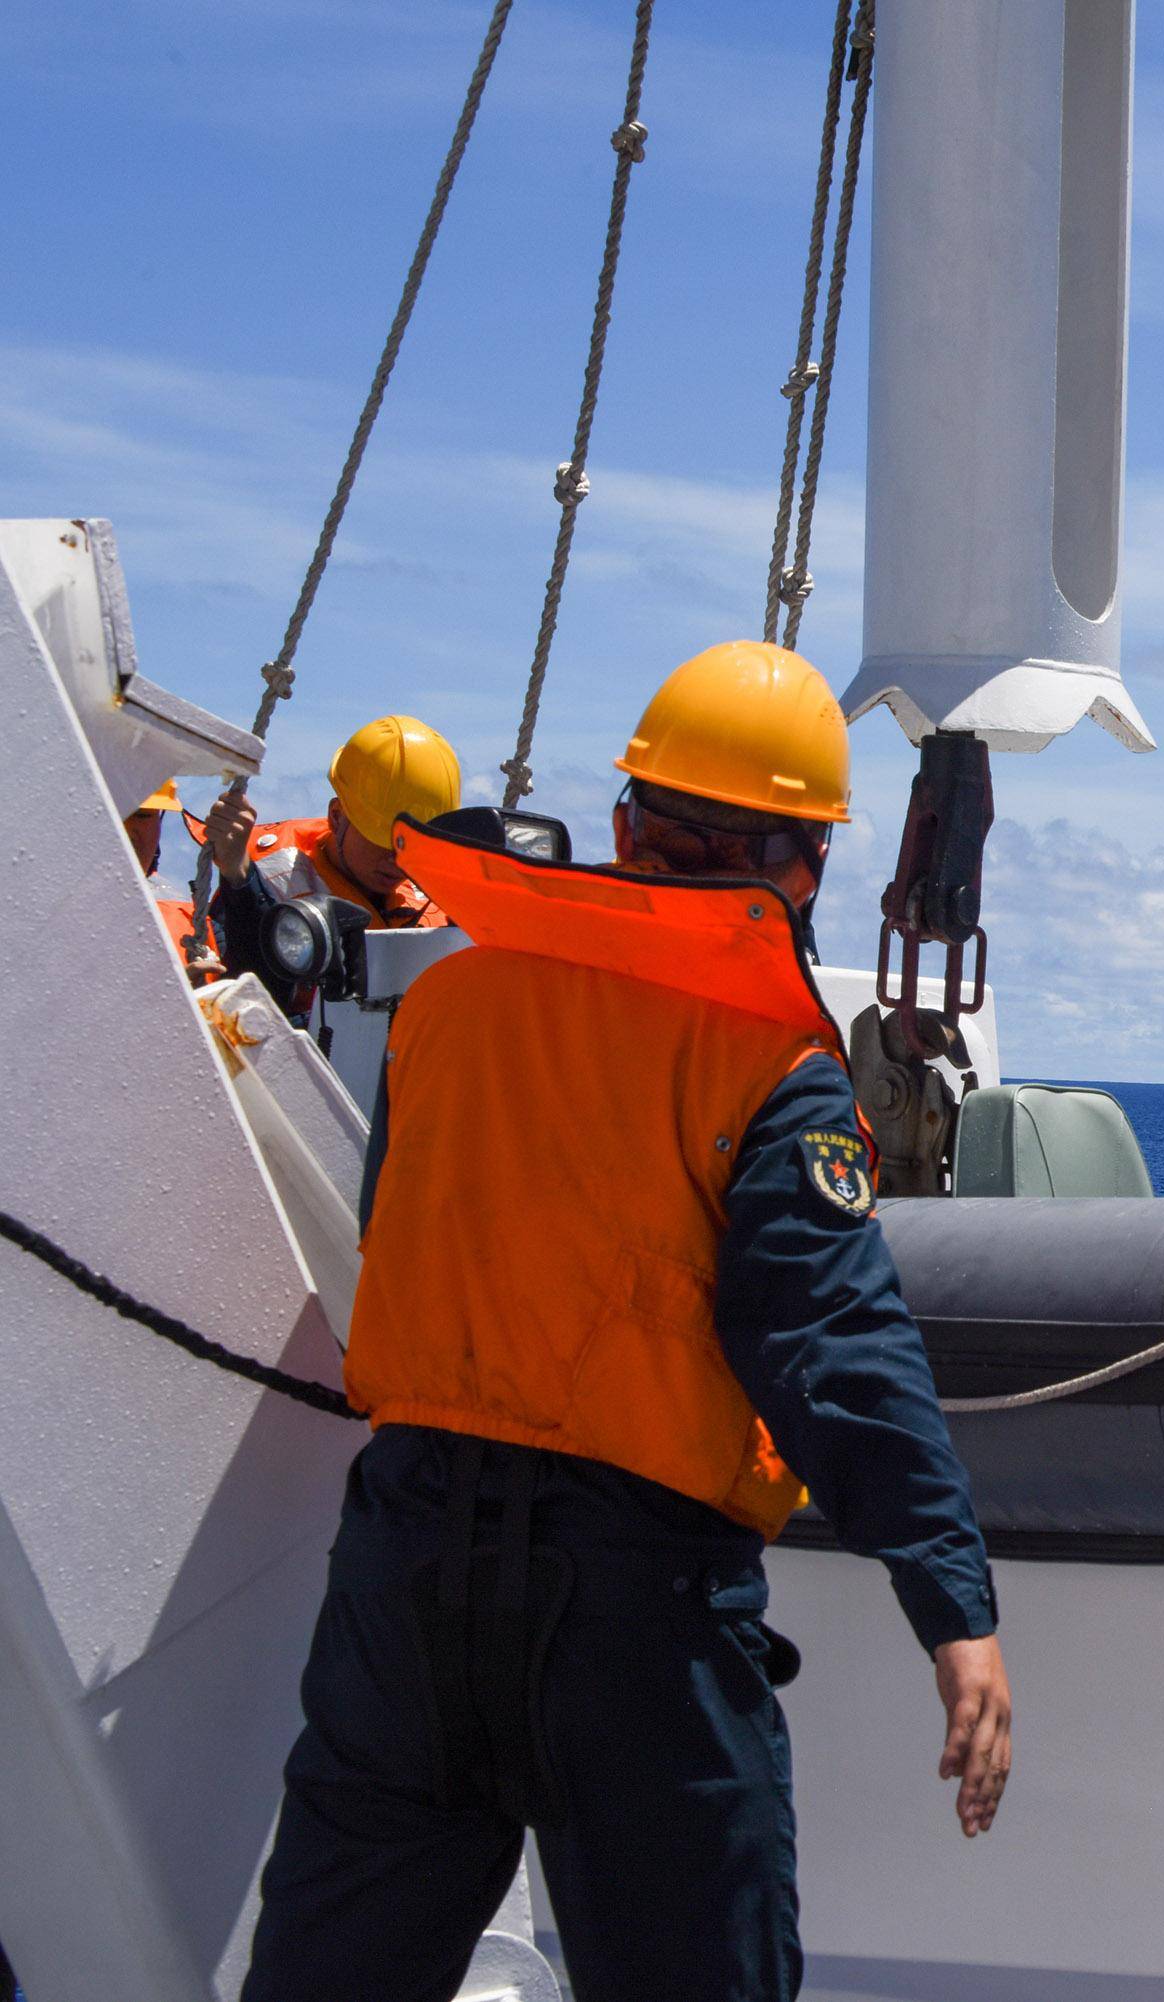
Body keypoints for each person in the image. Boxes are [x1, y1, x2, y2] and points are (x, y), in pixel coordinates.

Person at [242, 643, 1009, 2002]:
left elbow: (403, 1232)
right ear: (806, 870)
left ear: (622, 828)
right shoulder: (770, 1065)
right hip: (632, 1616)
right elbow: (832, 1347)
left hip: (400, 1582)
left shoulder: (446, 1005)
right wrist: (955, 1606)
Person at [203, 713, 461, 1011]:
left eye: (412, 847)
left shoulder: (439, 902)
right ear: (337, 817)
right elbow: (248, 996)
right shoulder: (271, 884)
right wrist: (239, 878)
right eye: (380, 841)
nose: (396, 861)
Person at [123, 777, 223, 981]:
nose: (124, 831)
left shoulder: (192, 920)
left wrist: (239, 873)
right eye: (112, 816)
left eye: (142, 815)